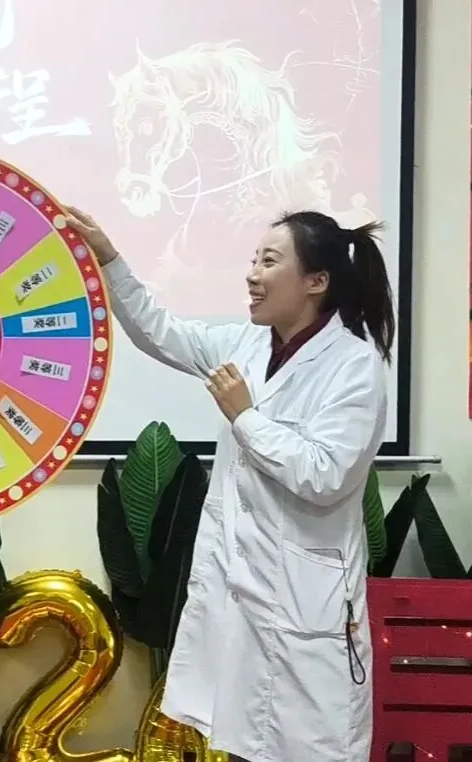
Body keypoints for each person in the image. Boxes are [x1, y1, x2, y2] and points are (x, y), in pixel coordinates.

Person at [65, 207, 395, 762]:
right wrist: (110, 259)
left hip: (306, 604)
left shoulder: (354, 367)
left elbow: (325, 475)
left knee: (309, 747)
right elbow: (160, 332)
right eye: (253, 260)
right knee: (240, 739)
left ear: (316, 281)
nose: (252, 274)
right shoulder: (246, 346)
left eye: (269, 261)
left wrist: (246, 417)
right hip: (242, 599)